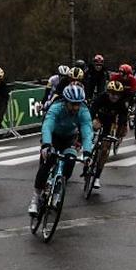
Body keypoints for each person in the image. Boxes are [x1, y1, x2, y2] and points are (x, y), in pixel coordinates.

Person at [28, 83, 93, 216]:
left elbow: (87, 133)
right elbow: (47, 126)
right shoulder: (57, 107)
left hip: (70, 139)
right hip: (53, 137)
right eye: (72, 104)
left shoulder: (83, 111)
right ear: (65, 102)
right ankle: (35, 199)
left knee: (70, 161)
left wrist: (87, 153)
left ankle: (57, 191)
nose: (76, 107)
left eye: (78, 104)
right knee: (47, 163)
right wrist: (46, 145)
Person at [88, 78, 131, 189]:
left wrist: (119, 133)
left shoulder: (121, 103)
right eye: (112, 94)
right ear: (108, 92)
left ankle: (97, 177)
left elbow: (122, 119)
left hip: (110, 122)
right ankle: (90, 149)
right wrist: (91, 122)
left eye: (117, 95)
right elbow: (92, 111)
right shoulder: (101, 97)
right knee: (94, 127)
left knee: (105, 149)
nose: (114, 97)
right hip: (98, 118)